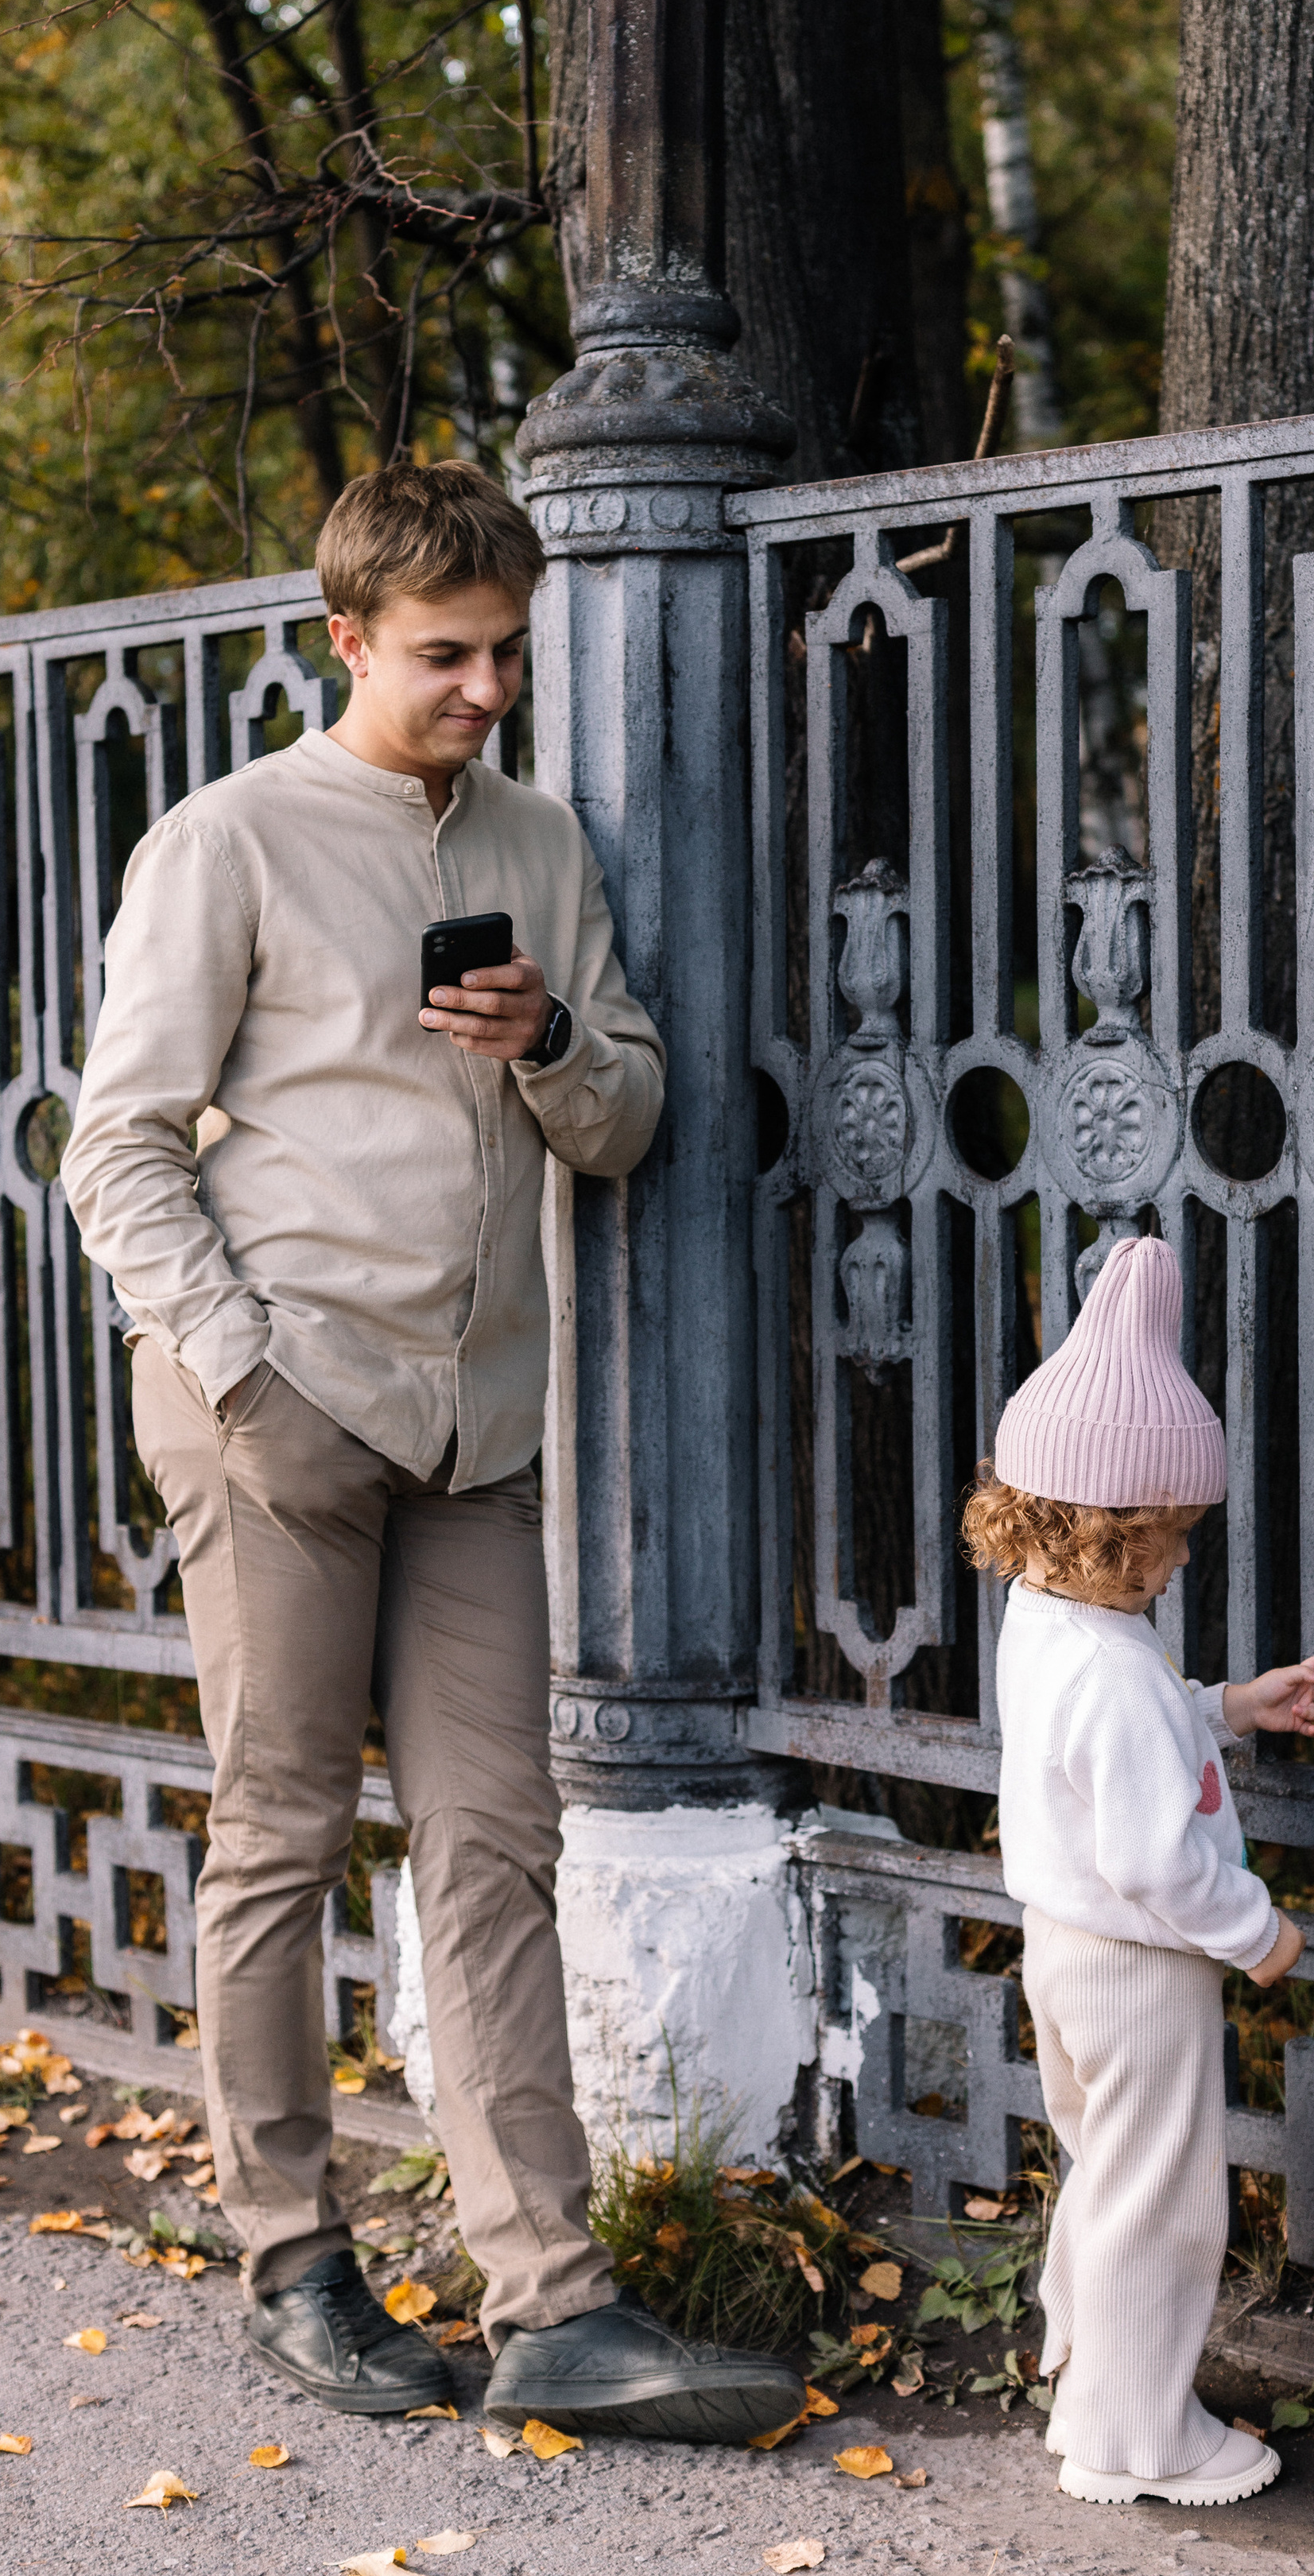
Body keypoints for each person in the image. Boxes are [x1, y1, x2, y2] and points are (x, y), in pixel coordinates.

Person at [60, 460, 804, 2447]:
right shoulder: (226, 843)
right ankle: (292, 2257)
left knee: (494, 1841)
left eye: (505, 650)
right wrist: (239, 1372)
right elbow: (112, 1145)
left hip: (479, 1427)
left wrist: (549, 1037)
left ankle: (551, 2306)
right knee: (280, 1834)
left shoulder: (543, 844)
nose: (485, 686)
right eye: (444, 655)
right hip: (280, 1413)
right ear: (348, 642)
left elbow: (632, 1116)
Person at [963, 1234, 1314, 2508]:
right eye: (1167, 1539)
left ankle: (1089, 2375)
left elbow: (1117, 1751)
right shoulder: (1117, 1670)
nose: (1181, 1560)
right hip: (1140, 1965)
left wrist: (1232, 1706)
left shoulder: (1050, 1618)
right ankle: (1140, 2441)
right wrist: (1257, 1932)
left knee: (1105, 2176)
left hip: (1062, 1952)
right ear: (1105, 1528)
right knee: (1167, 2203)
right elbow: (1149, 1850)